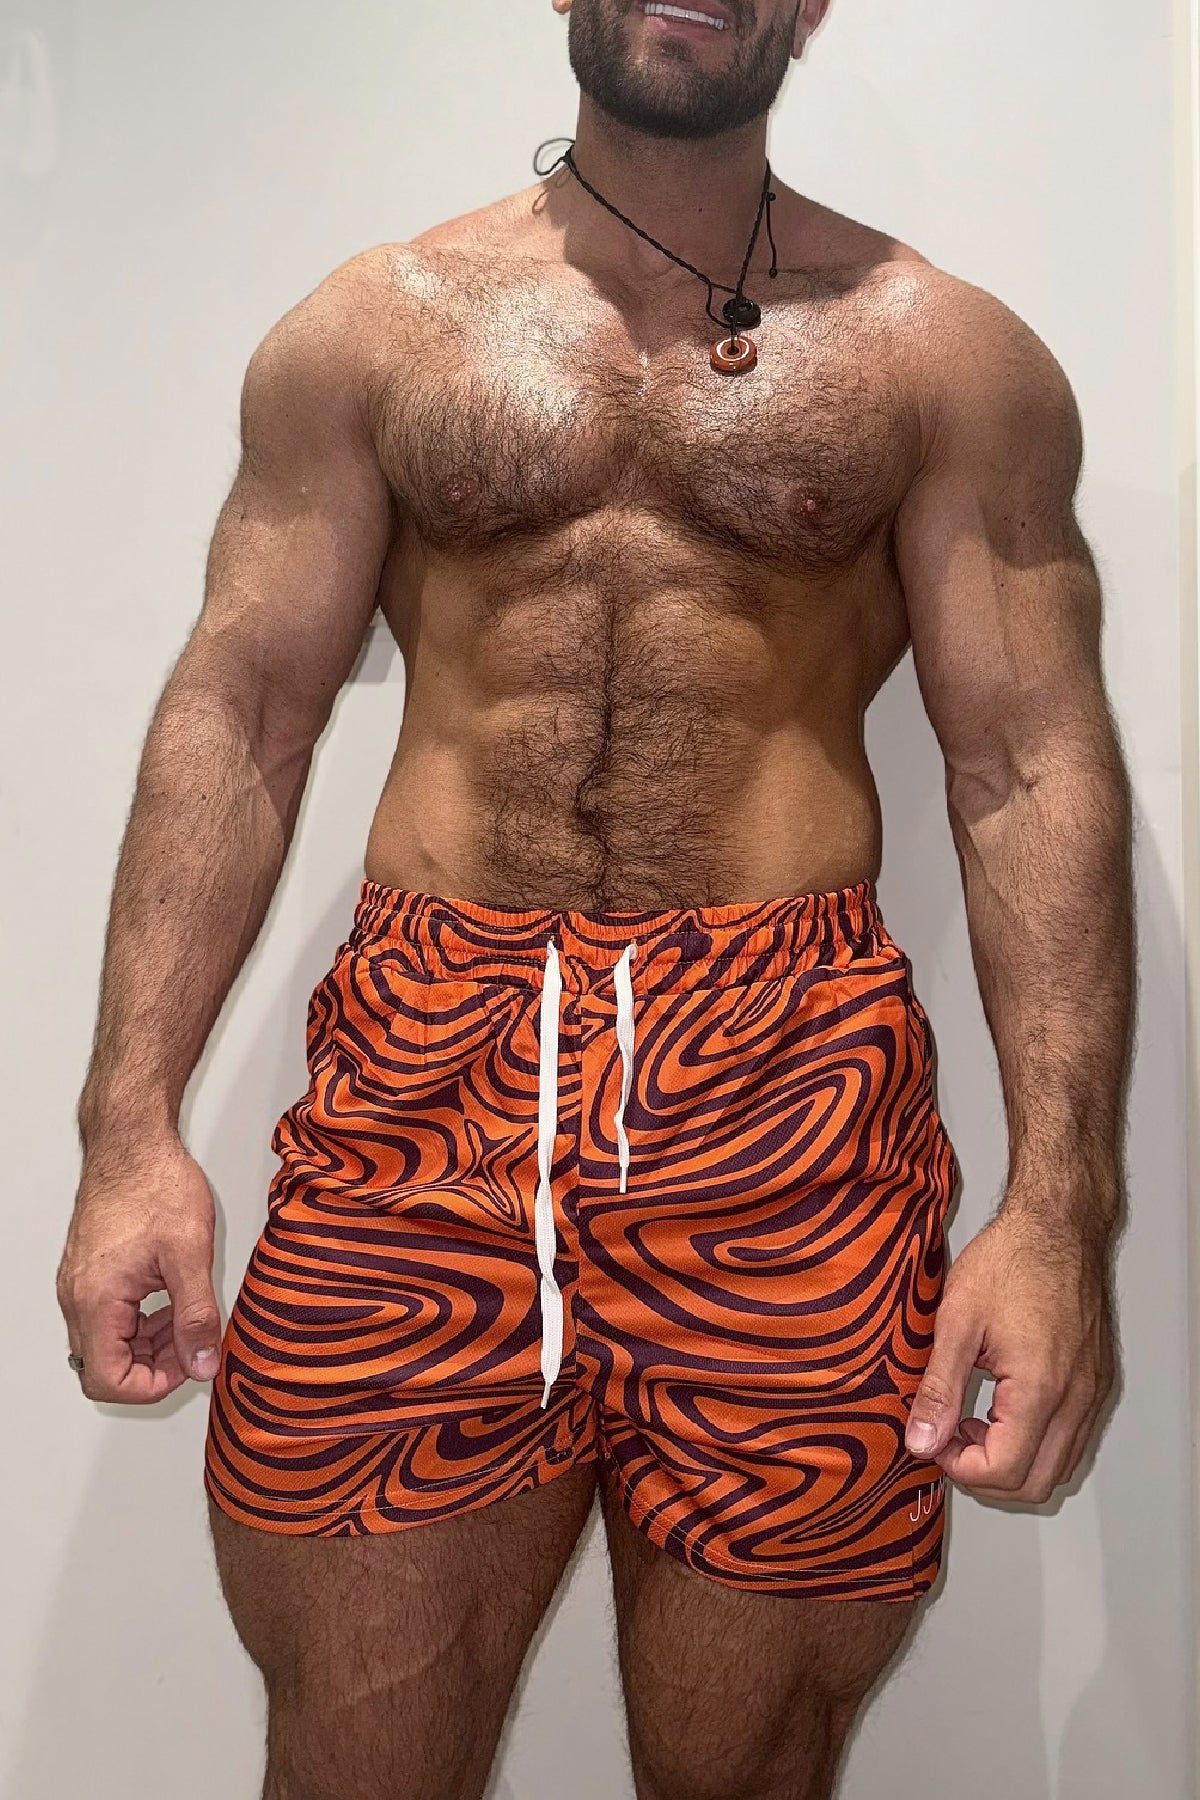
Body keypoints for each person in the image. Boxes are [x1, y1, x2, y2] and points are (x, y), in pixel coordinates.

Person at [55, 1, 1134, 1795]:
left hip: (786, 1098)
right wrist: (127, 1134)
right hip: (425, 1088)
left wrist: (1060, 1214)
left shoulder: (946, 357)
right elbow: (240, 714)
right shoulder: (376, 328)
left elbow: (1030, 771)